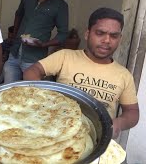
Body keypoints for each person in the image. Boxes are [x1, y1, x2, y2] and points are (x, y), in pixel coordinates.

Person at [23, 8, 139, 139]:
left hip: (97, 139)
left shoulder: (124, 75)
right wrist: (46, 100)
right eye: (100, 33)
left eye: (114, 36)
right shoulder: (65, 56)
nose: (107, 40)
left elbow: (132, 112)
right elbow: (31, 72)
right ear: (87, 34)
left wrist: (119, 123)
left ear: (120, 39)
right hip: (57, 132)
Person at [3, 0, 69, 83]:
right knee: (9, 89)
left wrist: (43, 44)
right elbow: (18, 15)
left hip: (34, 59)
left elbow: (63, 34)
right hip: (15, 53)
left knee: (31, 92)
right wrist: (15, 35)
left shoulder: (61, 5)